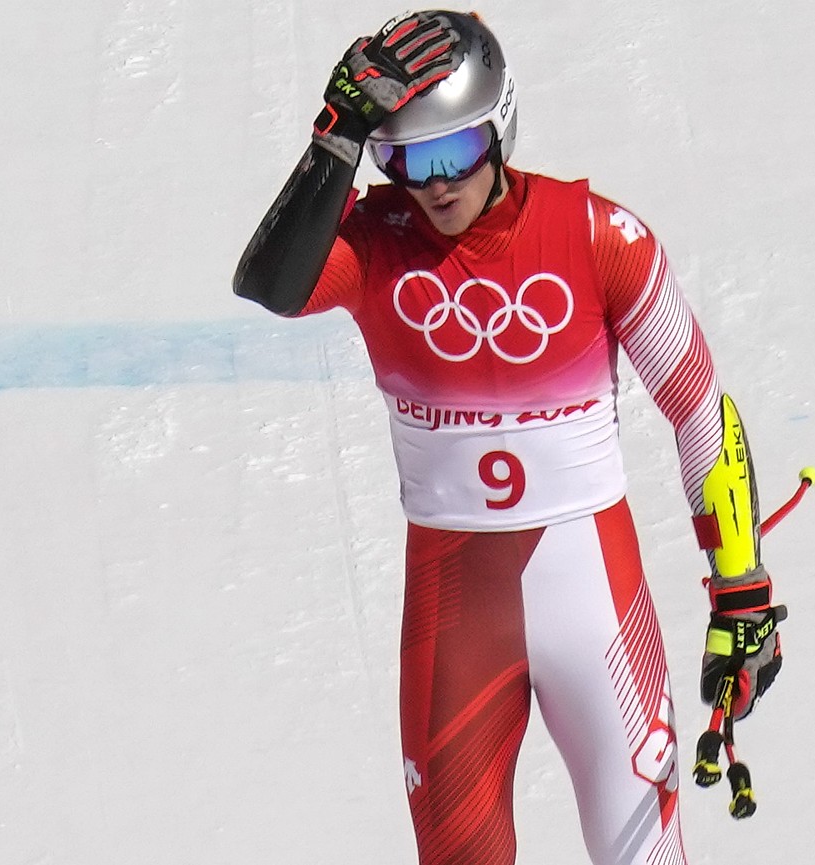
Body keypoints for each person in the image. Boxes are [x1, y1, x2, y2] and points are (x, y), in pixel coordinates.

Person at [233, 11, 785, 865]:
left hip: (594, 603)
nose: (434, 184)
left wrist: (741, 589)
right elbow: (271, 283)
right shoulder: (378, 243)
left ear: (502, 129)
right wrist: (338, 134)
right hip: (457, 615)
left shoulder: (601, 237)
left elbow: (699, 406)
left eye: (453, 153)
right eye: (405, 160)